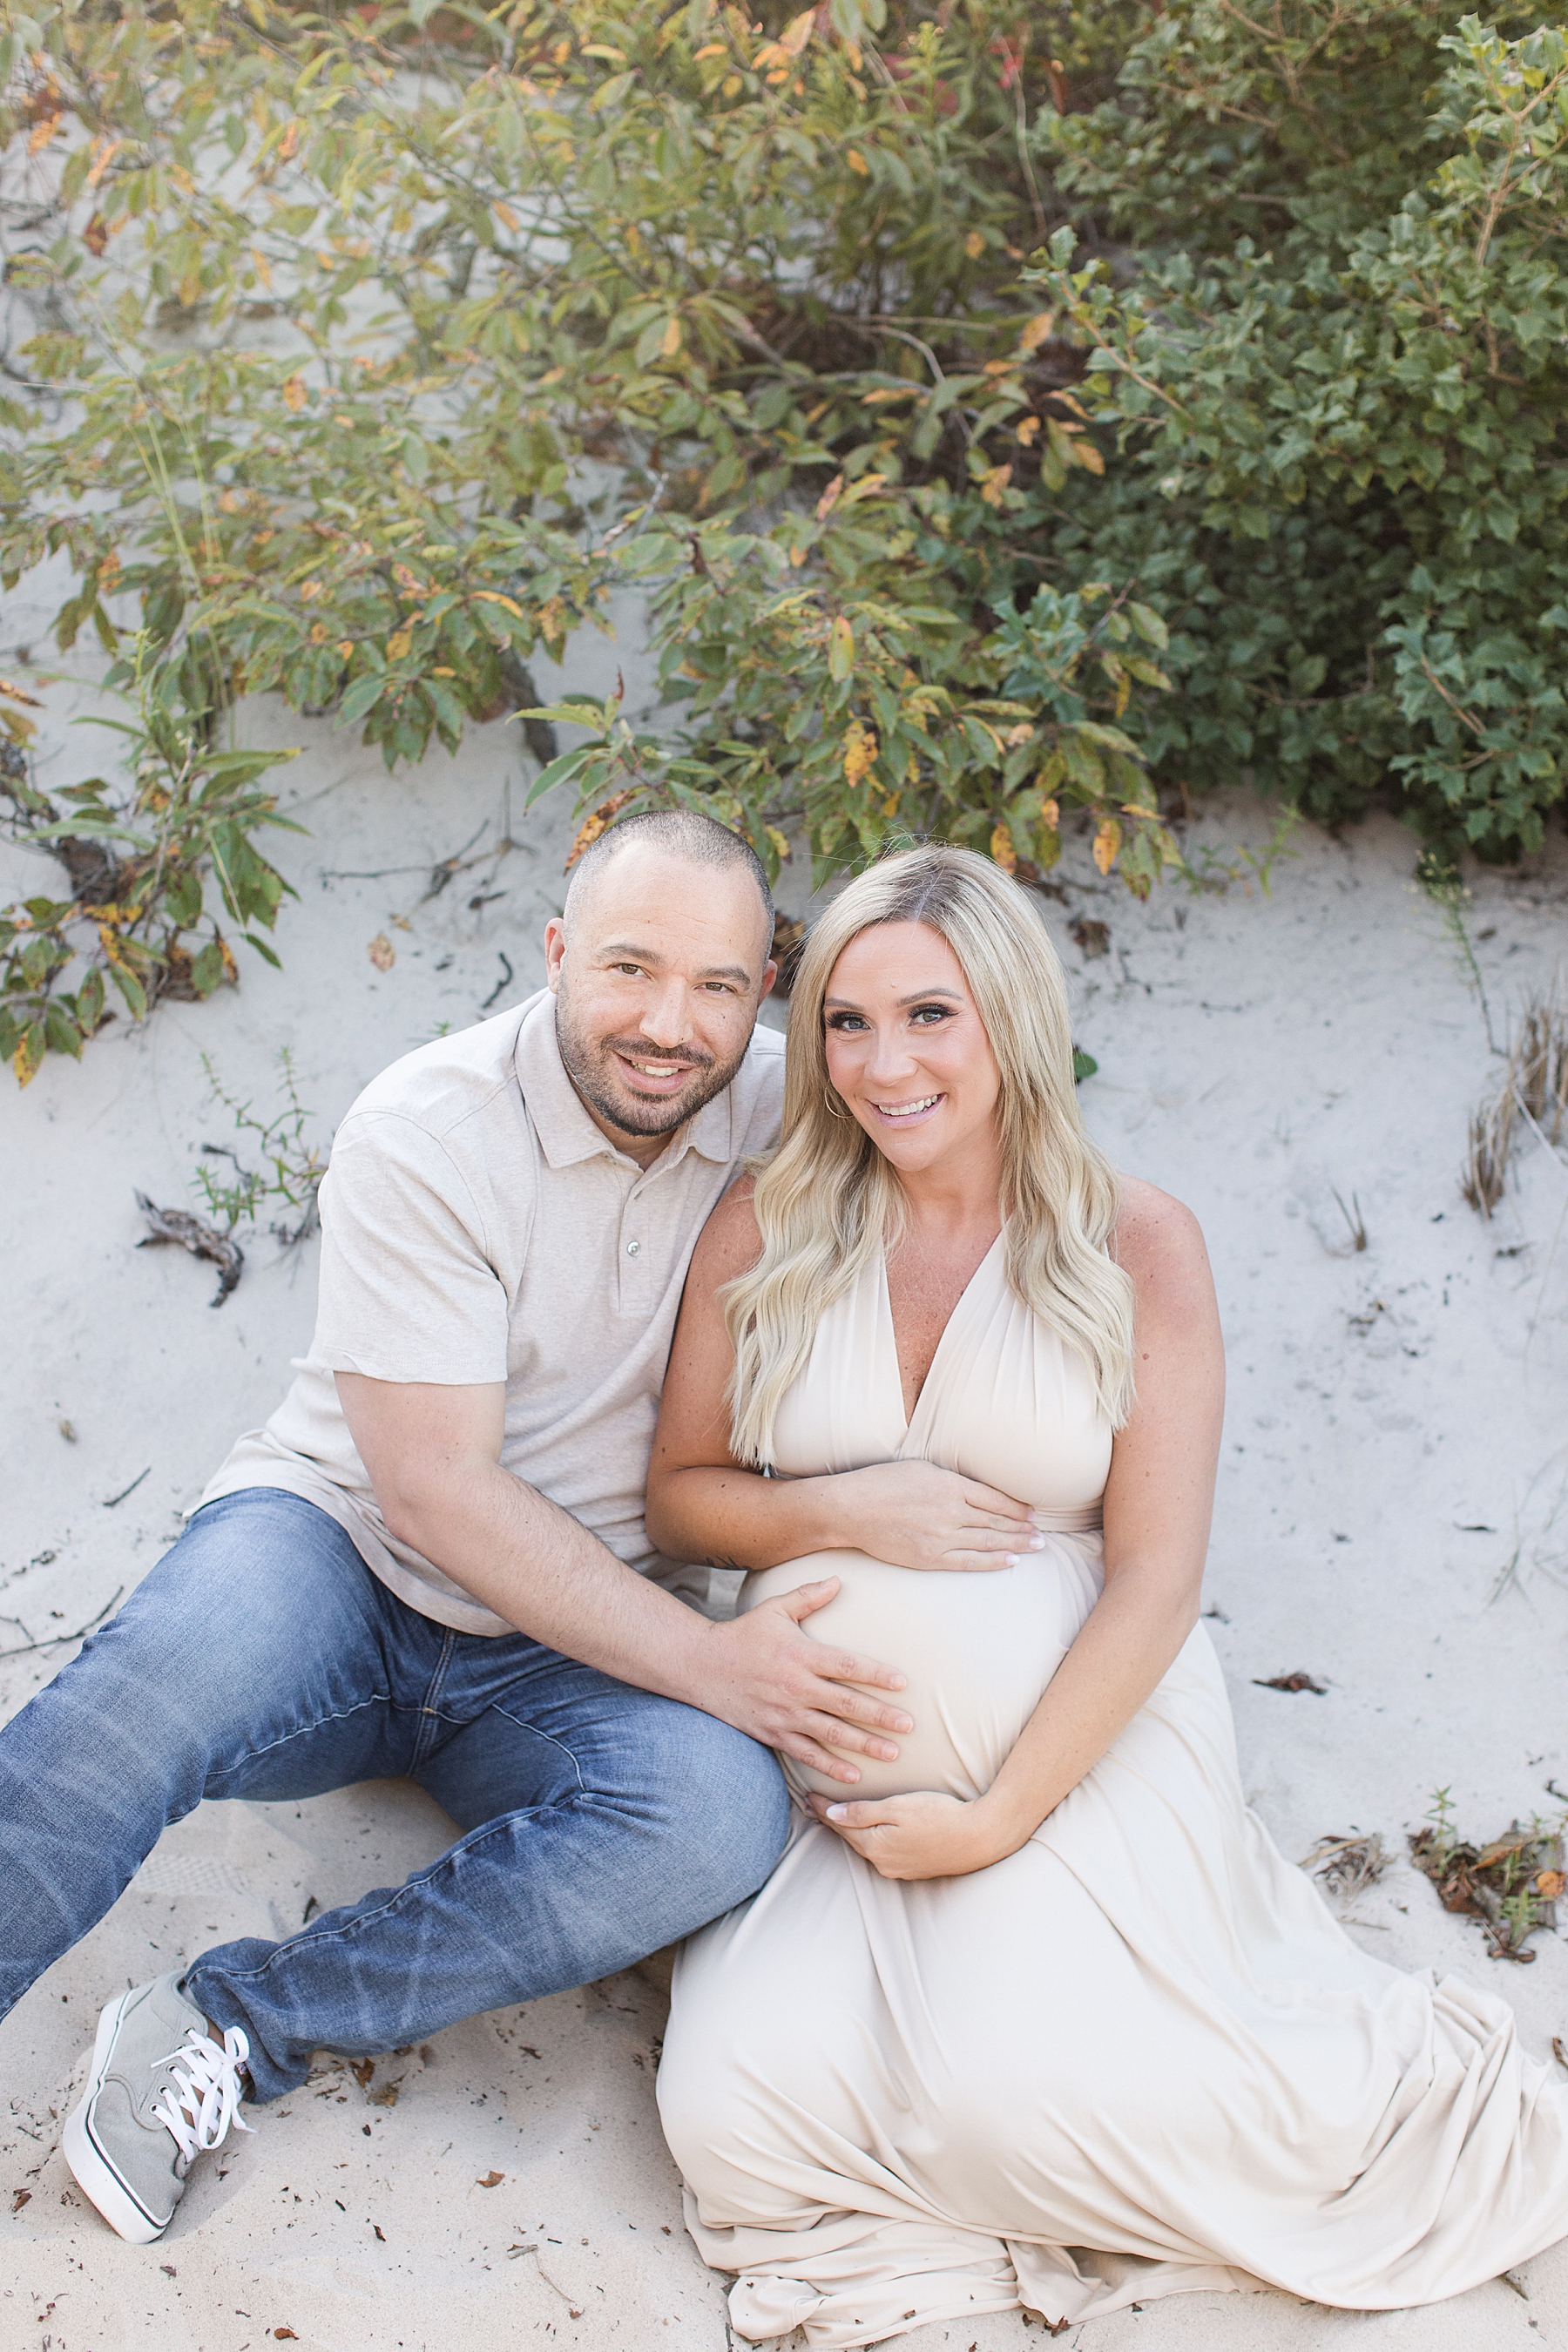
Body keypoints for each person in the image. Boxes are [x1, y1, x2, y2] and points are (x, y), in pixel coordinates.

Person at [646, 841, 1568, 2346]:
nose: (884, 1066)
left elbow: (1154, 1580)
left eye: (929, 1016)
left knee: (1012, 2096)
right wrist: (845, 1508)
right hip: (836, 1787)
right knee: (734, 2119)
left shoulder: (1135, 1244)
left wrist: (994, 1816)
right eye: (845, 1022)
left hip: (1071, 1762)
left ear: (1010, 1016)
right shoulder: (769, 1225)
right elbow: (679, 1490)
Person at [0, 809, 937, 2248]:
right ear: (556, 953)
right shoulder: (430, 1127)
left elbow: (997, 1153)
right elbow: (435, 1488)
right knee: (150, 1694)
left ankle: (238, 2023)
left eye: (717, 987)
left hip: (572, 1651)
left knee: (712, 1820)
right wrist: (713, 1664)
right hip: (344, 1557)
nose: (667, 1026)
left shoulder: (788, 1116)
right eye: (629, 968)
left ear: (766, 994)